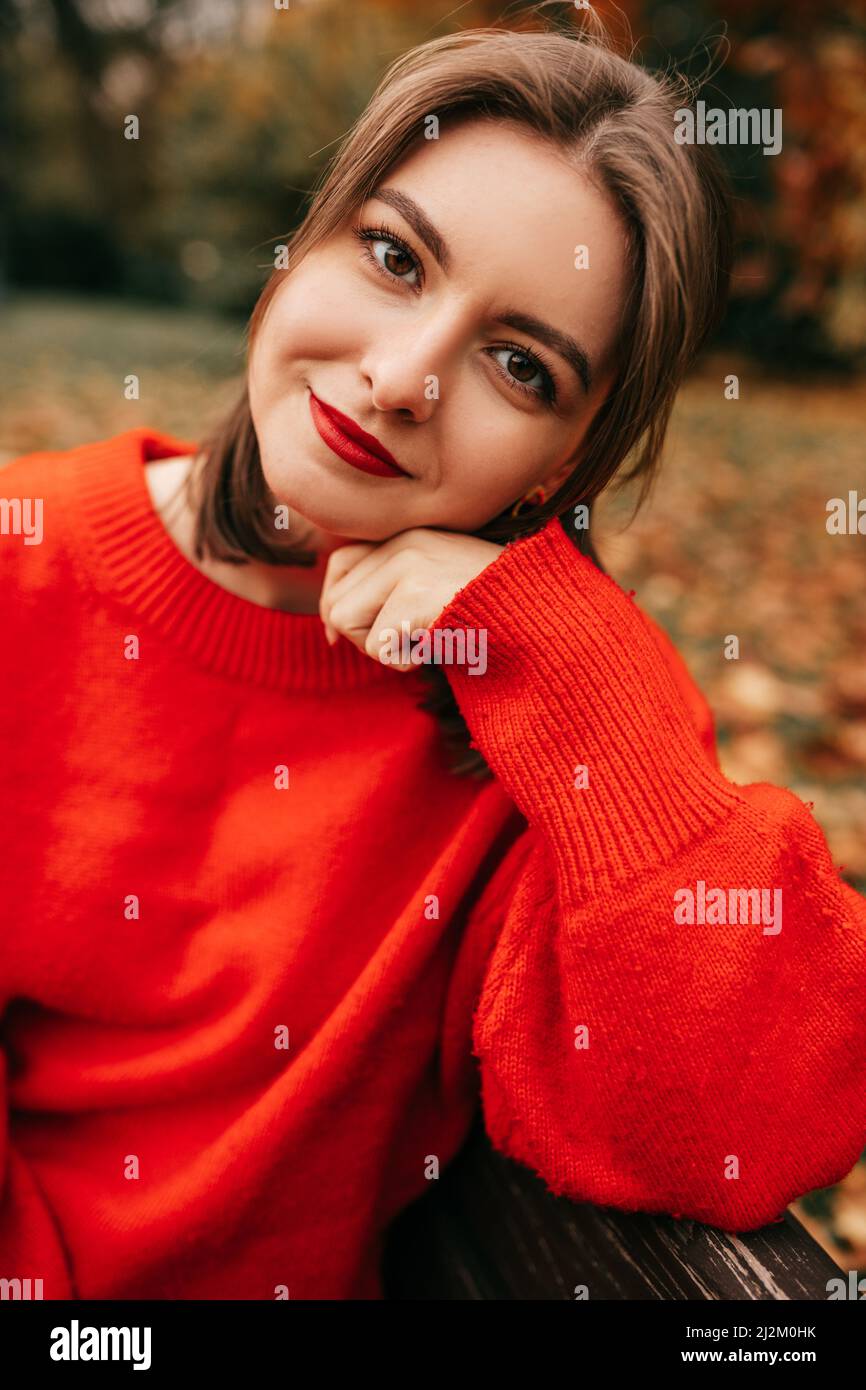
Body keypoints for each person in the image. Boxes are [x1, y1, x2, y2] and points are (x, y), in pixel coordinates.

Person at [2, 23, 865, 1302]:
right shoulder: (25, 571)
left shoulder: (550, 726)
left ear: (562, 464)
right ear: (308, 240)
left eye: (519, 365)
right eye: (394, 257)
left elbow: (738, 1116)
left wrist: (561, 654)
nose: (403, 376)